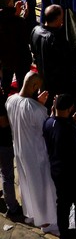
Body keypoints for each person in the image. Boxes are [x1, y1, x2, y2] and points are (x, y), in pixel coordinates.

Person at [5, 73, 56, 230]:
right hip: (37, 153)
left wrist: (37, 103)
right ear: (34, 87)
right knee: (43, 186)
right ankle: (47, 221)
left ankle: (33, 214)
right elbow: (47, 129)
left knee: (28, 184)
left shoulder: (10, 100)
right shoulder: (36, 109)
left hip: (21, 150)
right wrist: (51, 111)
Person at [42, 94, 76, 239]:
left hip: (56, 170)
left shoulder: (48, 123)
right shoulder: (70, 130)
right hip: (72, 174)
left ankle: (64, 235)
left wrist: (71, 123)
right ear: (70, 109)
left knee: (62, 203)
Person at [30, 4, 76, 112]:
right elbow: (68, 60)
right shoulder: (56, 39)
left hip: (44, 78)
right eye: (61, 19)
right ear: (56, 20)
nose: (62, 22)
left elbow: (34, 53)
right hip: (61, 82)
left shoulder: (35, 31)